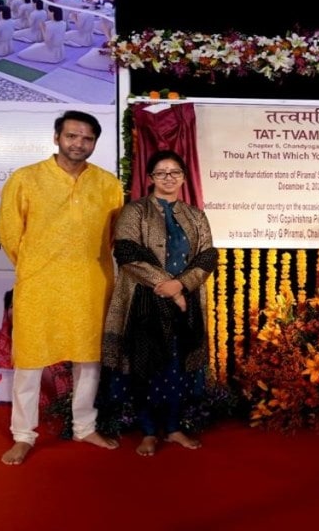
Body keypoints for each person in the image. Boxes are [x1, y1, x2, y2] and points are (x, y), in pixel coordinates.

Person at [0, 110, 124, 465]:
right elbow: (9, 232)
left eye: (87, 138)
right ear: (56, 138)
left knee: (89, 360)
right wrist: (36, 266)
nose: (78, 143)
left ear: (95, 143)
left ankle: (85, 426)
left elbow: (113, 236)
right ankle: (23, 435)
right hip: (40, 284)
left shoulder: (108, 184)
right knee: (30, 361)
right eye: (72, 136)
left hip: (91, 283)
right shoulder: (26, 179)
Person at [99, 150, 218, 456]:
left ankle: (174, 428)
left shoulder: (196, 215)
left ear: (184, 178)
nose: (168, 178)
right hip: (144, 301)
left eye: (174, 172)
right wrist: (168, 287)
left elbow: (208, 256)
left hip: (185, 304)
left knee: (178, 364)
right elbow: (126, 252)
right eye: (161, 172)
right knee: (146, 364)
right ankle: (149, 431)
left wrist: (182, 286)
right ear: (150, 178)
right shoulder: (134, 211)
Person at [0, 289, 73, 410]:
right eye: (12, 306)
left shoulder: (59, 343)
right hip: (9, 412)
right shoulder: (0, 342)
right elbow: (0, 385)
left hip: (46, 413)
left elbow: (62, 393)